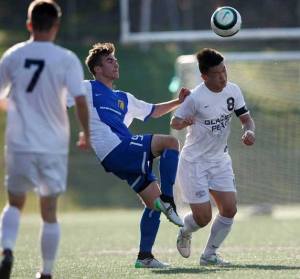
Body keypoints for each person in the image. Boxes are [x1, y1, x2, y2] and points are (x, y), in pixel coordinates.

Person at [70, 42, 190, 268]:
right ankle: (170, 200)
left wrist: (179, 102)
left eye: (115, 60)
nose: (115, 63)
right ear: (96, 69)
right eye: (109, 61)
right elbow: (64, 99)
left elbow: (153, 111)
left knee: (152, 204)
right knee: (171, 143)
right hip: (116, 148)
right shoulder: (86, 88)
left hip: (119, 155)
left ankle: (145, 257)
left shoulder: (124, 98)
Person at [0, 1, 90, 279]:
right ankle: (46, 272)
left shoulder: (13, 55)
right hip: (52, 145)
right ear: (56, 26)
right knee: (49, 210)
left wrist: (14, 107)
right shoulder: (66, 58)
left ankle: (6, 251)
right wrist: (86, 132)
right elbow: (79, 99)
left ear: (29, 25)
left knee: (15, 202)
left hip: (19, 142)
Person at [171, 48, 255, 266]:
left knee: (230, 209)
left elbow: (246, 119)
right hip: (194, 163)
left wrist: (249, 131)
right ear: (204, 76)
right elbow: (175, 122)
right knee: (203, 218)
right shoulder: (195, 97)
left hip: (219, 160)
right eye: (217, 74)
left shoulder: (233, 91)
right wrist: (185, 121)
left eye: (224, 71)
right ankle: (185, 230)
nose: (223, 77)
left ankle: (209, 255)